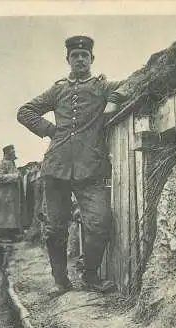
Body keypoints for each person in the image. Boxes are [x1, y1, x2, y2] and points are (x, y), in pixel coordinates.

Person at [17, 35, 127, 296]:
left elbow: (131, 84)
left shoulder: (101, 86)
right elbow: (25, 111)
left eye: (84, 56)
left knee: (99, 222)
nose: (80, 59)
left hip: (90, 169)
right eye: (75, 56)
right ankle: (60, 281)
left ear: (92, 59)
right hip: (56, 168)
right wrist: (50, 130)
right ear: (68, 59)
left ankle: (90, 276)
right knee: (55, 227)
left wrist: (113, 100)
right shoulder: (58, 89)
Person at [0, 144, 23, 242]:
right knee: (4, 215)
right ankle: (3, 236)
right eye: (12, 152)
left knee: (11, 215)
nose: (13, 154)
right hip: (4, 196)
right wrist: (15, 177)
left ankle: (11, 235)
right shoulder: (2, 164)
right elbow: (0, 178)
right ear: (7, 153)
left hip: (11, 195)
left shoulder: (12, 164)